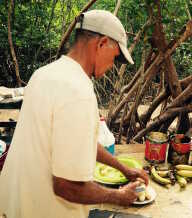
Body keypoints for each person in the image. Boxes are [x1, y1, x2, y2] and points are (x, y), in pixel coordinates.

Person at [0, 10, 149, 218]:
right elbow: (66, 187)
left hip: (12, 205)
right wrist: (119, 195)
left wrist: (124, 169)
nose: (112, 66)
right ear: (102, 43)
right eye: (115, 58)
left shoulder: (43, 74)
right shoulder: (78, 91)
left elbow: (79, 142)